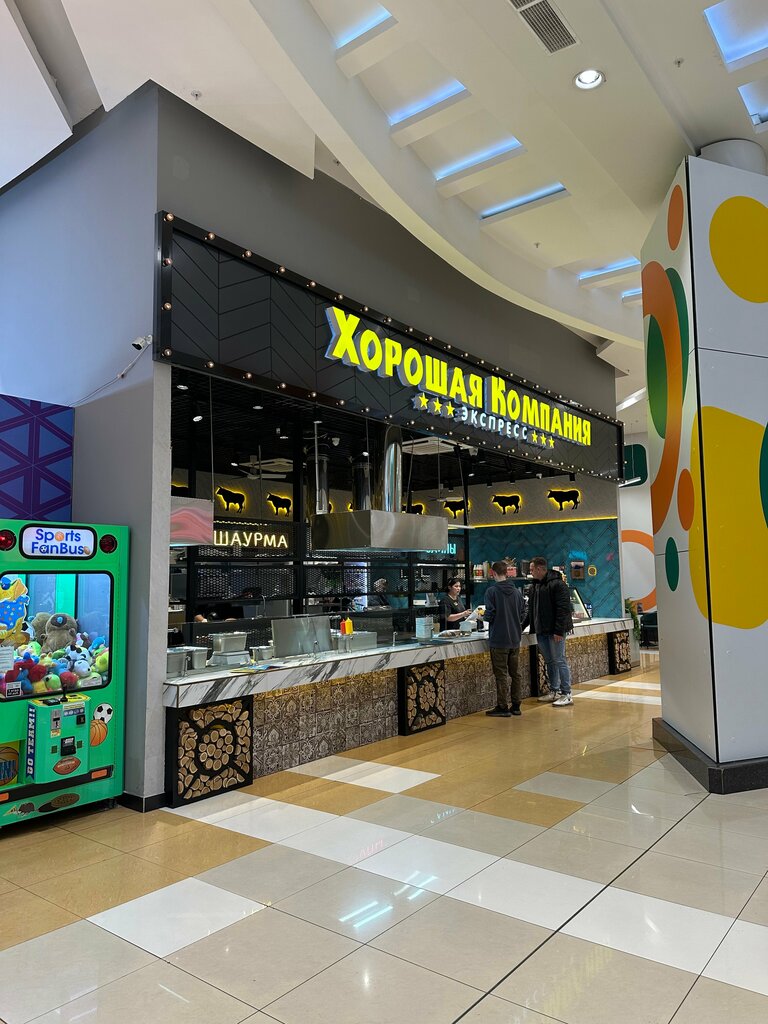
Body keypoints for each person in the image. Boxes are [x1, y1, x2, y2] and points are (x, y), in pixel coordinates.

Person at [528, 556, 574, 707]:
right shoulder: (535, 586)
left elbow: (563, 609)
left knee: (560, 660)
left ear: (540, 569)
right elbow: (531, 611)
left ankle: (567, 693)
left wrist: (559, 631)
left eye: (532, 569)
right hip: (541, 630)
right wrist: (522, 627)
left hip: (555, 631)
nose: (530, 572)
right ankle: (554, 690)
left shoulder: (558, 584)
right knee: (550, 661)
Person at [483, 560, 526, 718]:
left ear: (493, 573)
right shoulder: (517, 592)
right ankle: (516, 705)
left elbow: (490, 614)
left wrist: (483, 617)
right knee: (516, 674)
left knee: (501, 674)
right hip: (515, 639)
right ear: (507, 573)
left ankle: (502, 706)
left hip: (499, 639)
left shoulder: (491, 591)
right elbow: (523, 613)